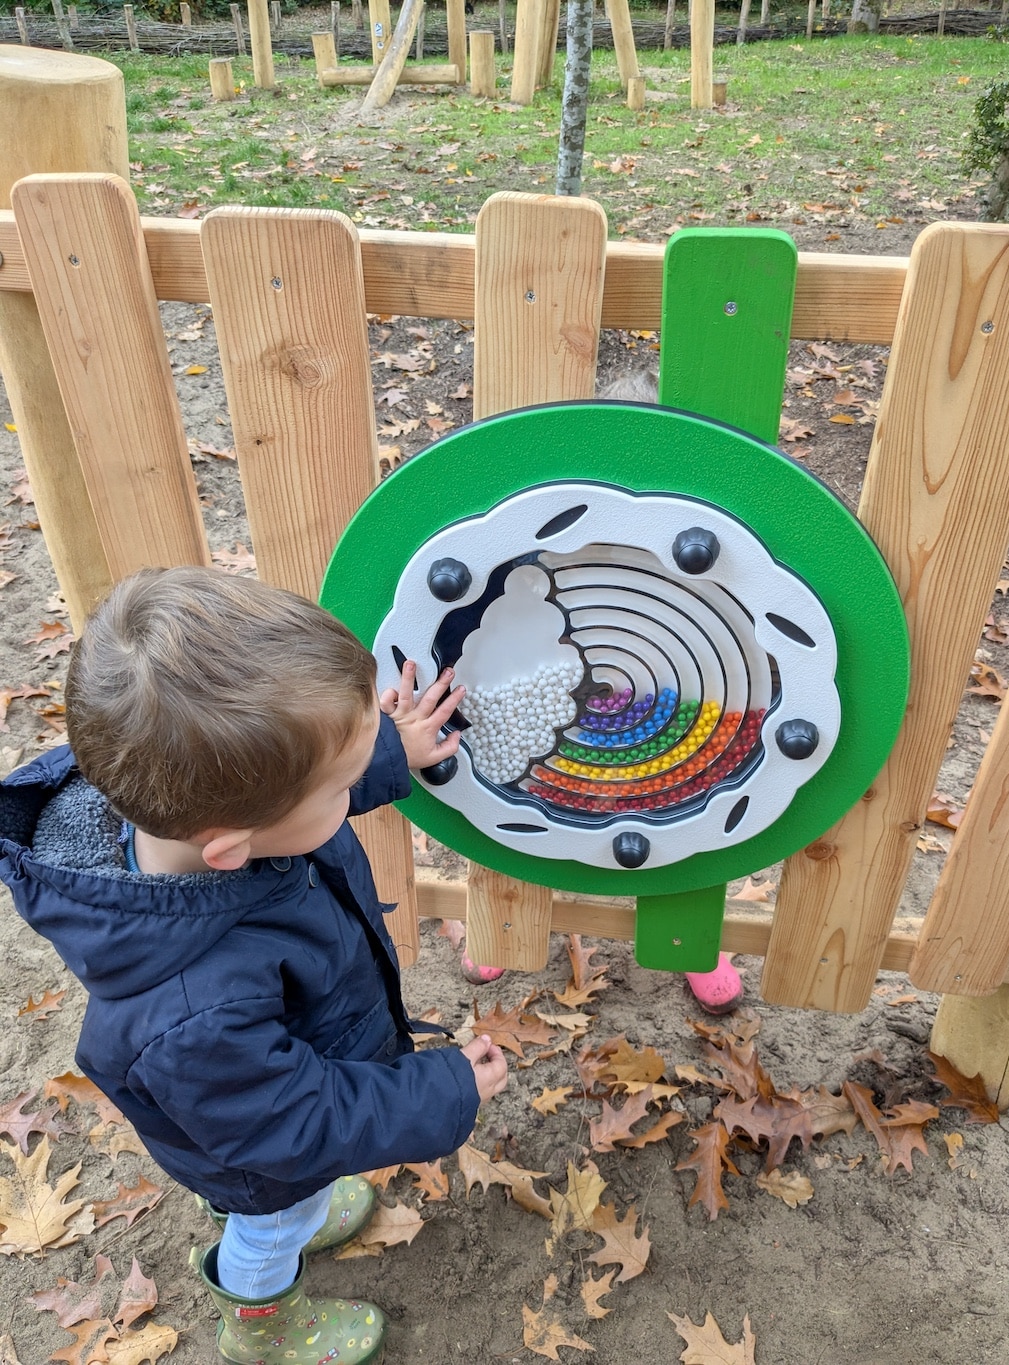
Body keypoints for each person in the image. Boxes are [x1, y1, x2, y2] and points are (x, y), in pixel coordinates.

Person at [0, 566, 507, 1365]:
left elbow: (294, 789)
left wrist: (384, 751)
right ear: (231, 849)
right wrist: (441, 1089)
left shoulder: (178, 800)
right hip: (260, 1159)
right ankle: (259, 1324)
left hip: (253, 1106)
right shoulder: (191, 1015)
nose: (351, 786)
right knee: (274, 1223)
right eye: (344, 783)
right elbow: (295, 1123)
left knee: (299, 1190)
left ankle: (297, 1214)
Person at [462, 366, 743, 1015]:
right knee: (519, 793)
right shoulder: (542, 540)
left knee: (682, 801)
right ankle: (501, 915)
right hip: (555, 700)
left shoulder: (707, 551)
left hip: (676, 698)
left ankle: (689, 929)